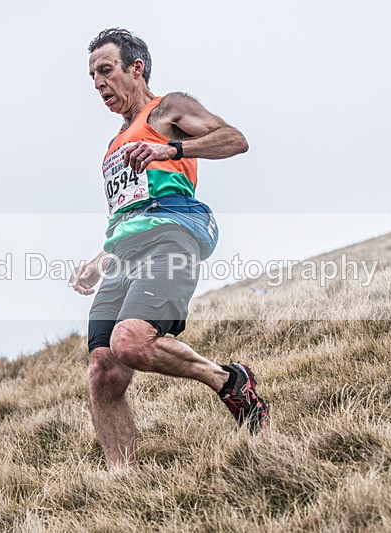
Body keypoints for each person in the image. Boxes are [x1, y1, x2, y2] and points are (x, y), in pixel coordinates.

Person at [70, 28, 269, 468]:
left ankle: (227, 381)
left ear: (135, 69)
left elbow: (235, 139)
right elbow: (130, 212)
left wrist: (171, 148)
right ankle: (120, 479)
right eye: (92, 77)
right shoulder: (113, 147)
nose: (99, 83)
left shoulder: (168, 110)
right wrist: (101, 258)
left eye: (106, 71)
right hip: (126, 254)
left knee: (130, 341)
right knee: (103, 367)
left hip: (174, 235)